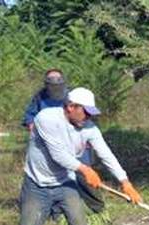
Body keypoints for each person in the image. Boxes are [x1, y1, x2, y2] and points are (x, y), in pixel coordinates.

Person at [8, 87, 143, 225]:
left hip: (65, 183)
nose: (88, 117)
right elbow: (58, 154)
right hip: (37, 184)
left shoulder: (88, 127)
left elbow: (105, 153)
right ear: (71, 107)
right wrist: (85, 169)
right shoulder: (46, 119)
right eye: (85, 112)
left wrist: (125, 182)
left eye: (90, 113)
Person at [22, 69, 105, 214]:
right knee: (57, 179)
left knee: (85, 175)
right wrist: (36, 129)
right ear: (47, 84)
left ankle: (98, 208)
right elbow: (29, 117)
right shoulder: (39, 97)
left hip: (75, 140)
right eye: (51, 84)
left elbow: (87, 117)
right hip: (52, 144)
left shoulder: (73, 97)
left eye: (57, 84)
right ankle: (58, 213)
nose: (55, 87)